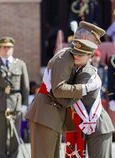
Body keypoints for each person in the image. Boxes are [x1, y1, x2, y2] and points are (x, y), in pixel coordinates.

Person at [25, 21, 106, 158]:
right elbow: (59, 89)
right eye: (94, 41)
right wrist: (85, 88)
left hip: (53, 114)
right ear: (84, 39)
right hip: (47, 113)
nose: (97, 45)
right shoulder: (66, 57)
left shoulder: (72, 57)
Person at [0, 37, 29, 158]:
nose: (7, 50)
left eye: (9, 47)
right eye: (4, 47)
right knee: (0, 135)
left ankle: (13, 156)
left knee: (15, 135)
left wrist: (25, 104)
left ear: (13, 49)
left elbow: (25, 87)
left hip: (15, 104)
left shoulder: (20, 64)